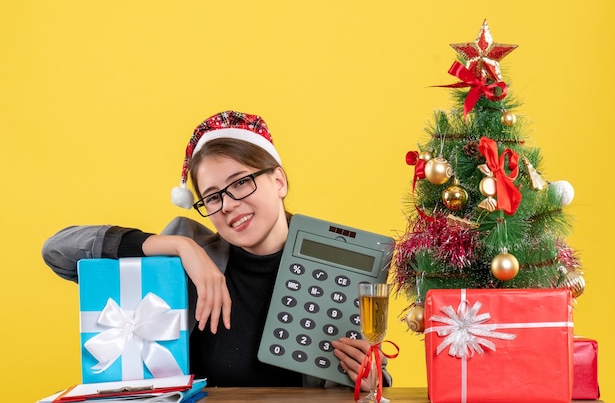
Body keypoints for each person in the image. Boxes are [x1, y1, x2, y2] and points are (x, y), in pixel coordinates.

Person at [42, 110, 391, 389]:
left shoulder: (336, 260)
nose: (228, 205)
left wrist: (370, 377)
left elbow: (368, 375)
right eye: (212, 196)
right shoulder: (189, 256)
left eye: (241, 182)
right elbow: (57, 251)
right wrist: (180, 247)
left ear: (279, 181)